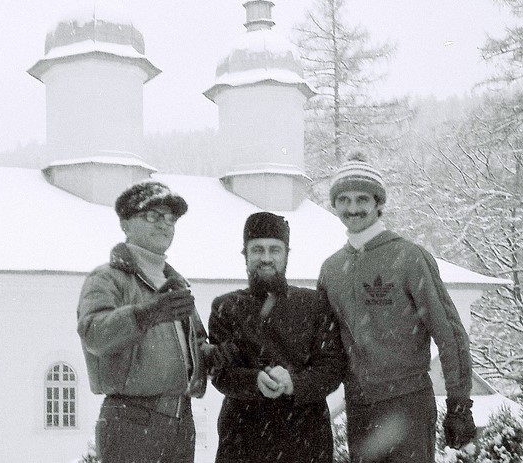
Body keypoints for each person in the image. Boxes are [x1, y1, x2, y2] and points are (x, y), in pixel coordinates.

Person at [317, 151, 477, 462]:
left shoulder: (409, 257)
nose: (352, 208)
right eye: (344, 200)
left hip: (408, 404)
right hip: (360, 407)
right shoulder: (331, 269)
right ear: (334, 205)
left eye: (362, 198)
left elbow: (450, 334)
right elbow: (325, 346)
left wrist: (460, 403)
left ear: (378, 203)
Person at [77, 180, 217, 463]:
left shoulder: (176, 285)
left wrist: (213, 356)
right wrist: (145, 314)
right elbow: (94, 334)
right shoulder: (107, 278)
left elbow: (195, 345)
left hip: (181, 422)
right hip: (132, 421)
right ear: (125, 224)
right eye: (152, 216)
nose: (164, 224)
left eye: (170, 218)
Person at [208, 211, 345, 463]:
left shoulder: (314, 305)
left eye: (275, 249)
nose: (266, 258)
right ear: (245, 255)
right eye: (257, 249)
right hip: (242, 440)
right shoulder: (225, 307)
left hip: (305, 440)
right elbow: (220, 372)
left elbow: (332, 368)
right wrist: (255, 381)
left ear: (286, 255)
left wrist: (295, 383)